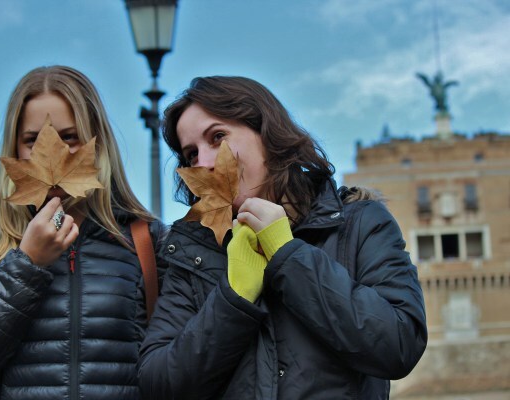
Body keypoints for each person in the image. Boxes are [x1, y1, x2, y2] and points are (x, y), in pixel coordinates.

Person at [138, 76, 427, 399]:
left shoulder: (358, 223)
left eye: (217, 137)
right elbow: (158, 383)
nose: (204, 163)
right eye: (191, 154)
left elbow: (399, 345)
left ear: (266, 133)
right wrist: (233, 299)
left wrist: (289, 256)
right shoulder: (191, 251)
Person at [0, 65, 165, 400]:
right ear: (14, 149)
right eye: (31, 139)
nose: (49, 153)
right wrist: (26, 265)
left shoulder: (145, 239)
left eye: (69, 136)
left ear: (98, 144)